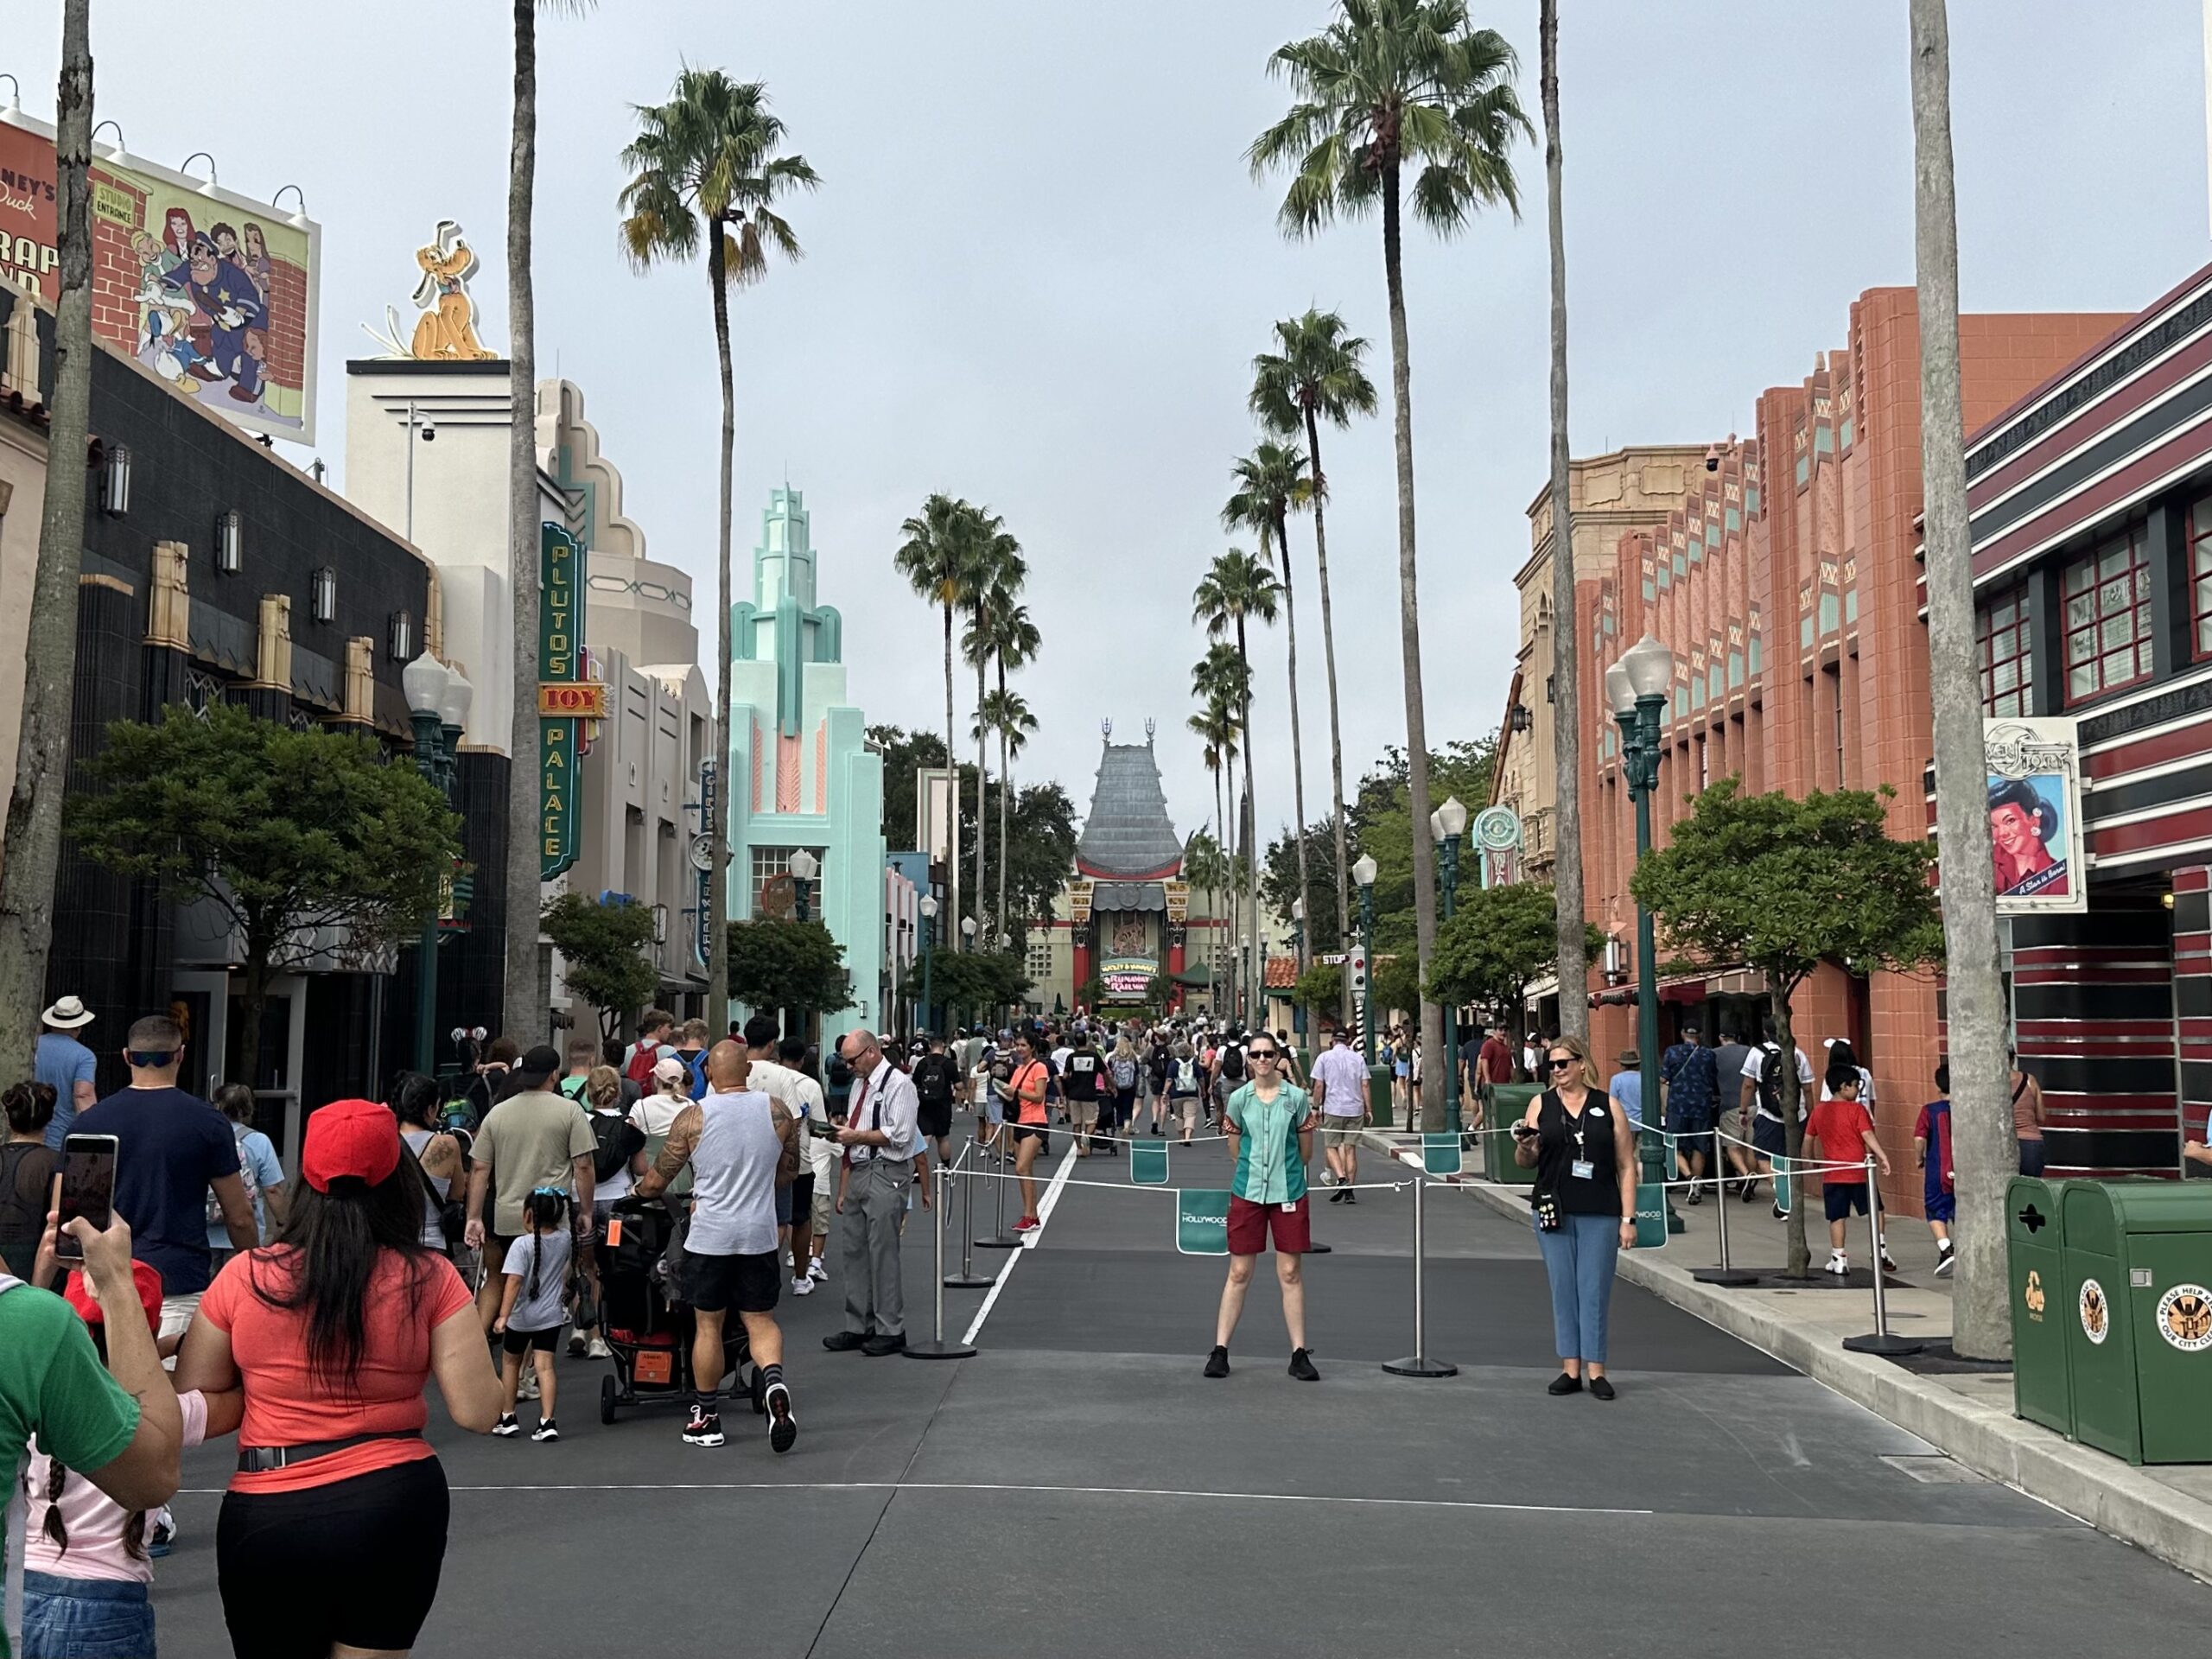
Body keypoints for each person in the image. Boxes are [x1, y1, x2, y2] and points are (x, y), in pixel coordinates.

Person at [175, 1097, 505, 1659]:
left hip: (269, 1504)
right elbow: (478, 1410)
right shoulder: (431, 1277)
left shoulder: (243, 1278)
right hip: (393, 1500)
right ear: (398, 1178)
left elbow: (194, 1394)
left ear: (307, 1178)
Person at [20, 1256, 224, 1659]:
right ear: (148, 1329)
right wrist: (172, 1349)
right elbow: (233, 1399)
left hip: (25, 1591)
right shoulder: (167, 1413)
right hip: (109, 1603)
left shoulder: (37, 1396)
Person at [6, 1206, 183, 1659]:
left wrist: (39, 1278)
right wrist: (118, 1287)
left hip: (27, 1588)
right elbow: (154, 1473)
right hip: (108, 1601)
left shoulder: (35, 1350)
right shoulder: (33, 1331)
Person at [638, 1041, 801, 1448]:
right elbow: (788, 1173)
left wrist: (637, 1192)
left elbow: (657, 1181)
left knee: (707, 1325)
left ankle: (707, 1417)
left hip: (710, 1236)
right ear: (748, 1070)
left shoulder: (693, 1117)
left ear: (708, 1072)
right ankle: (774, 1383)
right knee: (760, 1321)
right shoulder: (778, 1112)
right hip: (759, 1234)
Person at [73, 1014, 257, 1353]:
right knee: (168, 1383)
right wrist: (254, 1269)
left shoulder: (89, 1122)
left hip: (103, 1281)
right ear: (180, 1055)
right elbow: (240, 1216)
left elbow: (68, 1210)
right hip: (177, 1280)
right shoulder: (208, 1123)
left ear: (127, 1056)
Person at [1514, 1035, 1637, 1399]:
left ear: (1581, 1064)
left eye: (1563, 1063)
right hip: (1553, 1207)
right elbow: (1526, 1162)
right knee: (1563, 1288)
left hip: (1600, 1208)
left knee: (1594, 1289)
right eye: (1551, 1064)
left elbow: (1626, 1165)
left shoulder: (1608, 1106)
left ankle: (1596, 1370)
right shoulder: (1541, 1104)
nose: (1556, 1070)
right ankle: (1570, 1368)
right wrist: (1525, 1147)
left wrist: (1628, 1219)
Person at [1205, 1034, 1319, 1382]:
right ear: (1249, 1060)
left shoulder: (1296, 1099)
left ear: (1277, 1056)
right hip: (1248, 1192)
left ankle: (1299, 1353)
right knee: (1239, 1272)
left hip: (1289, 1191)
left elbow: (1306, 1152)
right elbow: (1235, 1150)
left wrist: (1284, 1171)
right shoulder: (1239, 1099)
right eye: (1256, 1054)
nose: (1262, 1059)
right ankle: (1220, 1350)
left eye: (1268, 1053)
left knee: (1290, 1272)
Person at [463, 1045, 595, 1336]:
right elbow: (583, 1165)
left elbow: (479, 1168)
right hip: (552, 1216)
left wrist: (474, 1216)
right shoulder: (570, 1111)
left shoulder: (498, 1114)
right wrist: (586, 1211)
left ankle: (481, 1345)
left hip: (508, 1216)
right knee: (543, 1290)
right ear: (553, 1075)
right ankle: (534, 1360)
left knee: (503, 1280)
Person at [826, 1030, 917, 1356]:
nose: (849, 1067)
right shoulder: (859, 1085)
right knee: (854, 1250)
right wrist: (844, 1183)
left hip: (886, 1170)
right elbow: (857, 1133)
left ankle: (890, 1328)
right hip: (860, 1168)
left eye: (852, 1061)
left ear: (871, 1052)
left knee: (883, 1251)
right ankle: (858, 1325)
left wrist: (856, 1137)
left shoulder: (899, 1084)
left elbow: (901, 1135)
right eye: (845, 1062)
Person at [492, 1187, 575, 1441]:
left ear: (528, 1215)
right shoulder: (565, 1239)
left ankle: (508, 1416)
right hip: (550, 1316)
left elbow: (514, 1282)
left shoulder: (521, 1245)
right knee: (545, 1368)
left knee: (510, 1363)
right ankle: (547, 1421)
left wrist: (503, 1315)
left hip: (521, 1317)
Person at [572, 1065, 642, 1357]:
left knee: (584, 1265)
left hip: (582, 1201)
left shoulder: (578, 1122)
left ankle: (582, 1326)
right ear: (617, 1092)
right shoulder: (629, 1125)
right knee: (611, 1266)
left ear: (589, 1091)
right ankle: (603, 1334)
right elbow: (640, 1167)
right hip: (616, 1205)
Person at [1806, 1067, 1894, 1276]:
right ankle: (1879, 1247)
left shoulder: (1819, 1111)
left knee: (1837, 1216)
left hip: (1833, 1173)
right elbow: (1867, 1135)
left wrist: (1811, 1160)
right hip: (1859, 1172)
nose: (1857, 1090)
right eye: (1855, 1086)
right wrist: (1882, 1156)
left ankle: (1839, 1258)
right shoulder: (1857, 1110)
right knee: (1876, 1209)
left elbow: (1808, 1138)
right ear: (1844, 1087)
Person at [208, 1083, 287, 1264]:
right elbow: (272, 1190)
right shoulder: (259, 1141)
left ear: (217, 1106)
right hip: (246, 1234)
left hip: (206, 1233)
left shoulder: (204, 1137)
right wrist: (283, 1223)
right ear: (247, 1109)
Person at [1740, 1035, 1814, 1219]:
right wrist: (1810, 1113)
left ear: (1766, 1032)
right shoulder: (1798, 1054)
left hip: (1769, 1114)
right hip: (1797, 1114)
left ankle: (1782, 1192)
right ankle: (1787, 1194)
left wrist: (1743, 1110)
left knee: (1762, 1156)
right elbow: (1807, 1088)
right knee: (1790, 1158)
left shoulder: (1757, 1052)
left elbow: (1748, 1085)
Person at [782, 1038, 834, 1293]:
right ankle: (801, 1278)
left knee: (773, 1219)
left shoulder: (760, 1077)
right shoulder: (809, 1085)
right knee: (801, 1219)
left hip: (765, 1160)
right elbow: (820, 1126)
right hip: (799, 1160)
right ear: (801, 1060)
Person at [395, 1072, 464, 1260]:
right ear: (430, 1109)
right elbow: (458, 1193)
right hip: (432, 1243)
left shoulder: (386, 1141)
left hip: (394, 1240)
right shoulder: (447, 1145)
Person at [2, 1080, 58, 1281]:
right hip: (39, 1266)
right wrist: (36, 1291)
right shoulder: (56, 1163)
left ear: (8, 1117)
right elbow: (54, 1230)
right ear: (49, 1117)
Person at [995, 1033, 1052, 1231]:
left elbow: (1039, 1096)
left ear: (1032, 1047)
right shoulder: (1018, 1069)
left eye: (1023, 1045)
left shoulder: (1039, 1067)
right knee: (1025, 1171)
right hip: (1019, 1120)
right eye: (1017, 1045)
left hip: (1035, 1122)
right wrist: (1003, 1091)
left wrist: (1016, 1092)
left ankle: (1029, 1215)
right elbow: (1012, 1094)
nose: (1020, 1049)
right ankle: (1031, 1215)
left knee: (1021, 1167)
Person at [1661, 1023, 1719, 1204]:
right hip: (1701, 1106)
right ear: (1700, 1035)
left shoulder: (1672, 1052)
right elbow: (1712, 1078)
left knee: (1674, 1146)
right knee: (1699, 1146)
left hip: (1678, 1105)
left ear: (1682, 1033)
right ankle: (1697, 1181)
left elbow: (1663, 1078)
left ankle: (1689, 1177)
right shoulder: (1708, 1054)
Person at [1310, 1027, 1370, 1202]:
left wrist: (1315, 1107)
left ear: (1332, 1039)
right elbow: (1365, 1084)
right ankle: (1350, 1190)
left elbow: (1319, 1085)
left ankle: (1342, 1179)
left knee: (1331, 1146)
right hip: (1355, 1109)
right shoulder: (1358, 1059)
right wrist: (1369, 1108)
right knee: (1350, 1149)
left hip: (1333, 1108)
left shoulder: (1324, 1058)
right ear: (1348, 1040)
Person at [35, 995, 99, 1150]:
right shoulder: (84, 1056)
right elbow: (83, 1095)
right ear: (79, 1026)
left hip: (26, 1132)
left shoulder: (33, 1044)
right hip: (60, 1137)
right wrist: (93, 1135)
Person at [1915, 1063, 1956, 1277]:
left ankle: (1946, 1248)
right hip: (1964, 1168)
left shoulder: (1929, 1110)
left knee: (1934, 1209)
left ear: (1938, 1085)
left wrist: (1918, 1158)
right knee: (1960, 1208)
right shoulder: (1968, 1108)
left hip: (1938, 1169)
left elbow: (1919, 1138)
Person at [1711, 1026, 1756, 1196]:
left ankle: (1746, 1175)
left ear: (1721, 1038)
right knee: (1750, 1146)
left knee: (1732, 1146)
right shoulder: (1750, 1051)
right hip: (1753, 1104)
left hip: (1730, 1104)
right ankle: (1748, 1180)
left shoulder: (1714, 1054)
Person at [910, 1033, 960, 1166]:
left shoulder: (922, 1063)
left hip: (924, 1105)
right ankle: (946, 1167)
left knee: (924, 1137)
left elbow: (914, 1083)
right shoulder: (949, 1064)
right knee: (943, 1138)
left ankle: (919, 1169)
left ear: (930, 1046)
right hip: (943, 1105)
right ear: (943, 1046)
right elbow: (959, 1086)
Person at [1062, 1029, 1105, 1156]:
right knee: (1091, 1121)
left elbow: (1065, 1076)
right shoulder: (1094, 1057)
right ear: (1086, 1041)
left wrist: (1070, 1084)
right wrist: (1110, 1086)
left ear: (1075, 1042)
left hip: (1074, 1094)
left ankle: (1079, 1148)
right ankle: (1086, 1136)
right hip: (1090, 1093)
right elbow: (1106, 1072)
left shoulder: (1072, 1057)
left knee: (1076, 1123)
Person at [2011, 1050, 2046, 1176]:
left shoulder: (1991, 1085)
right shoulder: (2029, 1080)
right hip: (2031, 1143)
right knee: (2031, 1185)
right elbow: (2041, 1117)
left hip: (2005, 1144)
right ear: (2012, 1060)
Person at [623, 1008, 675, 1089]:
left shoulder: (628, 1050)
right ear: (659, 1029)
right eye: (669, 1027)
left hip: (633, 1094)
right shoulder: (669, 1052)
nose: (670, 1031)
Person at [1108, 1035, 1142, 1140]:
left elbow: (1109, 1073)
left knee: (1119, 1109)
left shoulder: (1113, 1058)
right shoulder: (1133, 1058)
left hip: (1116, 1087)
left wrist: (1110, 1086)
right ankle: (1127, 1127)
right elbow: (1137, 1074)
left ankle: (1120, 1128)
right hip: (1130, 1087)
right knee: (1128, 1108)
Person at [1605, 1048, 1644, 1128]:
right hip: (1643, 1122)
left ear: (1622, 1066)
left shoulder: (1616, 1079)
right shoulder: (1644, 1078)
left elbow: (1612, 1101)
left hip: (1625, 1121)